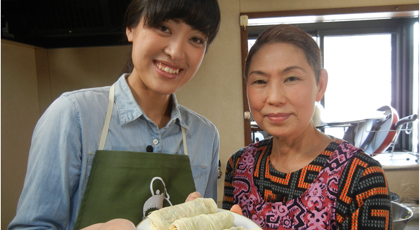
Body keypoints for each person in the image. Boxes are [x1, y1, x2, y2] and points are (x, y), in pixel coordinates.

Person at [8, 0, 221, 229]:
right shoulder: (73, 115)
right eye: (163, 28)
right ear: (130, 28)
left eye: (196, 39)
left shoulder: (205, 135)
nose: (176, 52)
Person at [223, 24, 391, 230]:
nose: (274, 98)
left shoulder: (362, 176)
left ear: (320, 85)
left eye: (291, 78)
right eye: (259, 81)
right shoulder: (239, 165)